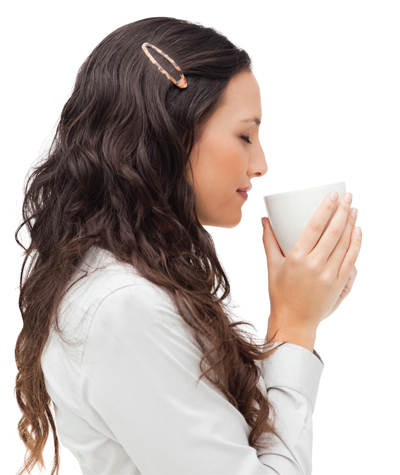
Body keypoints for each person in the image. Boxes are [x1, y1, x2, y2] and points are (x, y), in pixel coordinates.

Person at [14, 16, 362, 475]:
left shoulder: (127, 284)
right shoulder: (124, 306)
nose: (260, 163)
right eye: (244, 135)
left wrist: (302, 313)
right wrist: (294, 325)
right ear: (170, 132)